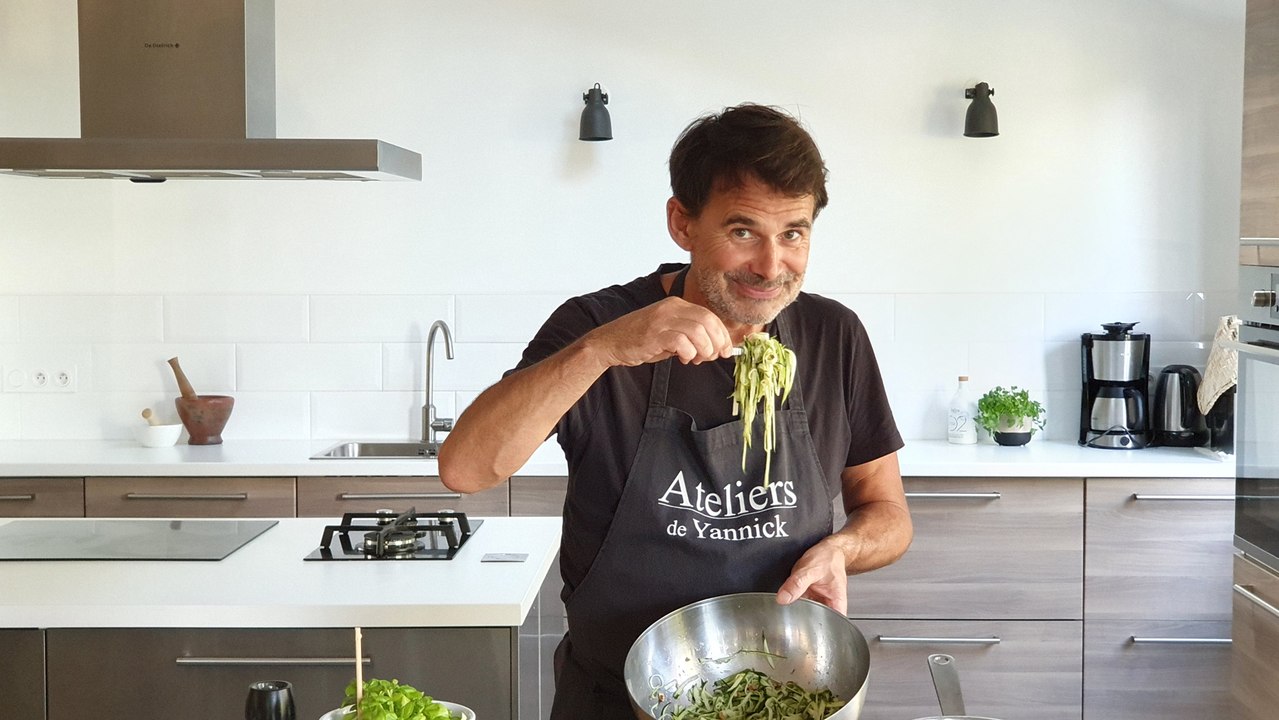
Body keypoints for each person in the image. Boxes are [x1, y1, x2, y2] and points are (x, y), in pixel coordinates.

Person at [438, 102, 912, 719]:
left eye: (793, 233)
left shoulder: (834, 335)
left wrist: (842, 549)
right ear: (682, 224)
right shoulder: (597, 326)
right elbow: (466, 470)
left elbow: (888, 513)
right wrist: (605, 350)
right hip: (612, 698)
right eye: (743, 232)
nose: (771, 267)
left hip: (782, 693)